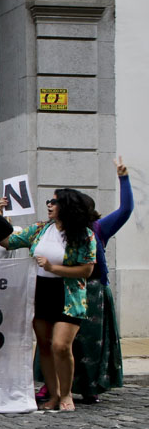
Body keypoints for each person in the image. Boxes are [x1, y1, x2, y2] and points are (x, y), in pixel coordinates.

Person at [3, 189, 97, 412]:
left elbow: (86, 270)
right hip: (40, 291)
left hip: (69, 294)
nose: (49, 204)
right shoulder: (39, 229)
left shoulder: (84, 235)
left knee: (60, 345)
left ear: (66, 206)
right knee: (44, 345)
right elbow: (9, 242)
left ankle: (66, 395)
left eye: (54, 201)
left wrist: (53, 267)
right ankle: (53, 395)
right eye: (49, 201)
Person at [68, 156, 134, 401]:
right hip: (66, 288)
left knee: (92, 343)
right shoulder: (56, 228)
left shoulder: (98, 228)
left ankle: (90, 386)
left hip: (93, 291)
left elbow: (125, 210)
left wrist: (123, 178)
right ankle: (57, 385)